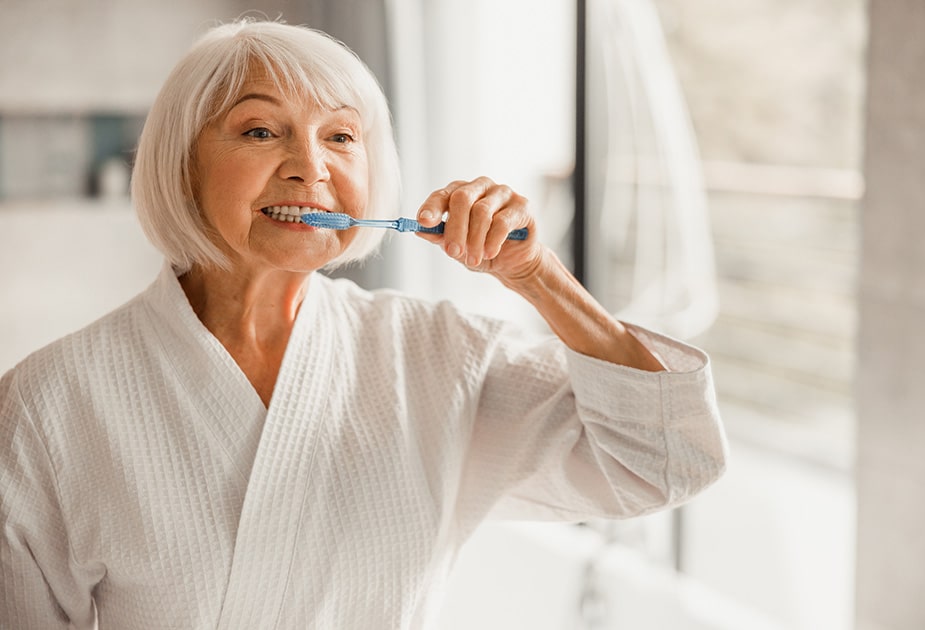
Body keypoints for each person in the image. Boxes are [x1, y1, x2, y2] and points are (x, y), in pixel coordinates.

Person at [0, 19, 727, 630]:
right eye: (260, 130)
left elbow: (665, 462)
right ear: (180, 164)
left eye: (342, 137)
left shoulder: (441, 355)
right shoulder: (48, 403)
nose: (309, 167)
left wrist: (538, 277)